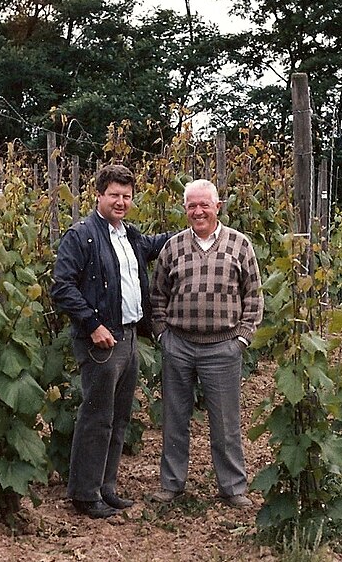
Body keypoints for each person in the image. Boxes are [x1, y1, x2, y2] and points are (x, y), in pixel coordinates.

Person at [51, 163, 173, 519]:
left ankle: (107, 487)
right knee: (97, 416)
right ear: (99, 195)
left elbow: (158, 244)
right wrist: (92, 324)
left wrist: (198, 226)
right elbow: (62, 287)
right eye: (114, 195)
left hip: (130, 337)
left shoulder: (130, 235)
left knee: (119, 417)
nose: (121, 202)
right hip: (103, 341)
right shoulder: (82, 235)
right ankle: (85, 494)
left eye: (126, 196)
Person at [149, 179, 263, 508]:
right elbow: (157, 295)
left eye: (204, 205)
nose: (198, 211)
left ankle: (232, 487)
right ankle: (172, 484)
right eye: (191, 206)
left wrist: (241, 338)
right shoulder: (173, 247)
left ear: (217, 207)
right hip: (179, 345)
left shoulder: (240, 245)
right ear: (185, 209)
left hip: (222, 347)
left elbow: (253, 295)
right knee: (174, 418)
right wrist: (162, 334)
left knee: (225, 422)